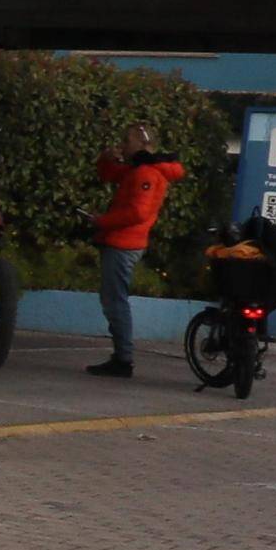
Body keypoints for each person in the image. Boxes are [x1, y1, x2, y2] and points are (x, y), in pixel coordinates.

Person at [88, 132, 182, 378]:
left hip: (124, 243)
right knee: (114, 298)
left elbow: (137, 212)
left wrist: (103, 221)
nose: (122, 146)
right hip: (125, 241)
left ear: (143, 144)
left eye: (127, 141)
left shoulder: (145, 173)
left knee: (115, 300)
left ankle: (123, 358)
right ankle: (122, 356)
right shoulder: (140, 169)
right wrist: (106, 159)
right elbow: (111, 175)